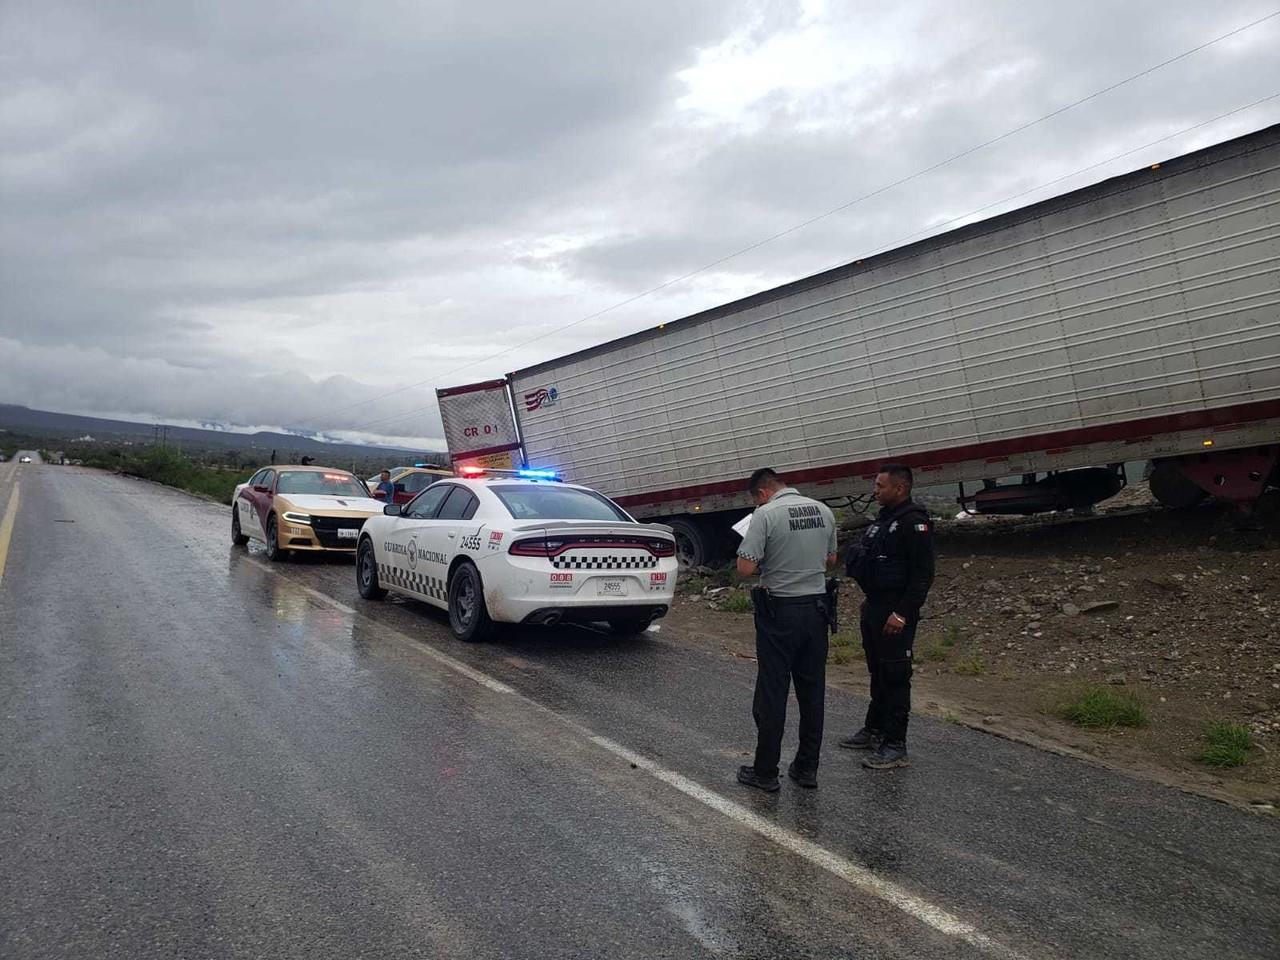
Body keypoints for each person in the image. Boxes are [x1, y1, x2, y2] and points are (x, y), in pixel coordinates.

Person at [735, 468, 838, 792]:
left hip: (780, 612)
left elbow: (745, 567)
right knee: (812, 692)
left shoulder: (765, 515)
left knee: (773, 692)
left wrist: (772, 561)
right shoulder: (823, 510)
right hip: (817, 611)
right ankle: (807, 768)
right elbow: (831, 559)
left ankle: (765, 771)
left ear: (762, 493)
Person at [841, 464, 936, 770]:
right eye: (876, 484)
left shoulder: (914, 523)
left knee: (896, 677)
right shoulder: (883, 521)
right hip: (875, 606)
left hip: (896, 611)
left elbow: (923, 575)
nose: (875, 490)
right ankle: (874, 729)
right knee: (878, 673)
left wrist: (902, 613)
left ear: (900, 488)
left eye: (881, 486)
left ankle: (896, 745)